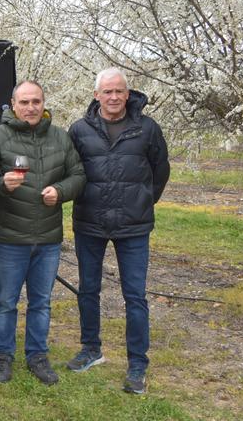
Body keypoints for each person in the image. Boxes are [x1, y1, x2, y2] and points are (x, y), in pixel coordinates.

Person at [67, 68, 170, 395]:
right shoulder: (79, 130)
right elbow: (72, 171)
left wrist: (143, 200)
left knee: (135, 295)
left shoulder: (147, 128)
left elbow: (160, 170)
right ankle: (91, 349)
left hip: (133, 225)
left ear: (128, 94)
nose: (113, 97)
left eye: (119, 91)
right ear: (96, 95)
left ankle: (137, 363)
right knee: (88, 289)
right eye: (107, 92)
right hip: (90, 221)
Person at [0, 80, 85, 386]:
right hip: (10, 238)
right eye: (24, 102)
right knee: (6, 302)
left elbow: (79, 175)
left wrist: (61, 191)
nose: (30, 107)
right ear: (13, 105)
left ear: (43, 103)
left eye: (36, 101)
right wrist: (1, 185)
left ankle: (37, 355)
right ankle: (3, 356)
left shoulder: (60, 137)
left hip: (48, 238)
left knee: (41, 302)